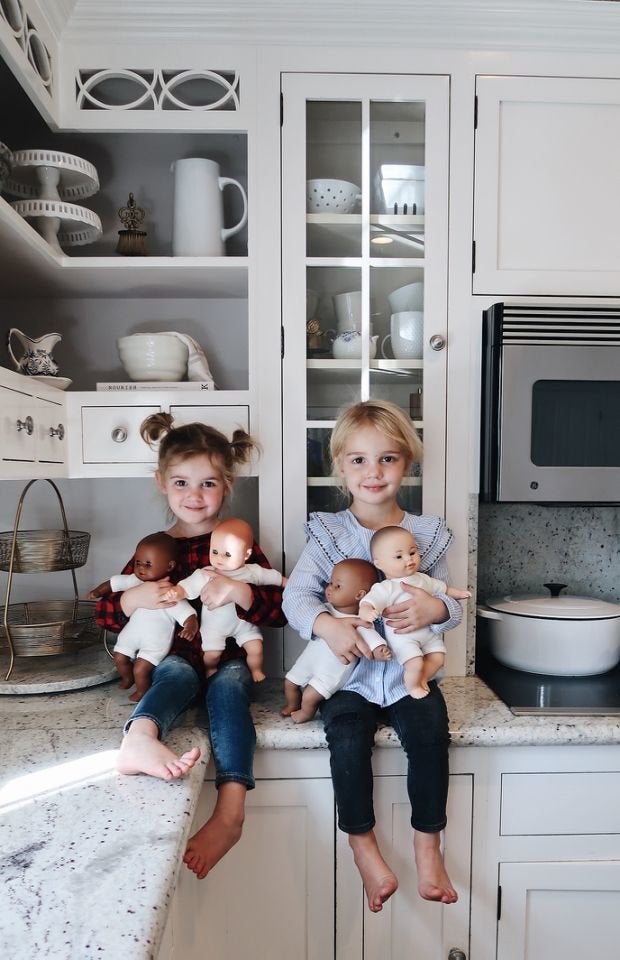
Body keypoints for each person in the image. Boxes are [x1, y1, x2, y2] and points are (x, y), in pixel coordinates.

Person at [282, 399, 462, 913]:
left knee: (430, 737)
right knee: (345, 739)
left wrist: (437, 608)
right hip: (351, 678)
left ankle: (428, 847)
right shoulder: (328, 534)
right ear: (340, 466)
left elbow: (450, 600)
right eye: (358, 459)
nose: (373, 471)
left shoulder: (426, 534)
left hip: (412, 673)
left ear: (407, 462)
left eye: (387, 458)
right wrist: (326, 625)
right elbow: (297, 597)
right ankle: (363, 847)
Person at [95, 413, 286, 881]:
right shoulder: (156, 548)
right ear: (162, 482)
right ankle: (138, 739)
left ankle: (230, 811)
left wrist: (241, 592)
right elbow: (107, 615)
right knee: (174, 674)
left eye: (207, 484)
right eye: (181, 482)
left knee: (230, 693)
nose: (194, 496)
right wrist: (133, 598)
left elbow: (278, 612)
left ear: (227, 484)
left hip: (231, 660)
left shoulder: (238, 545)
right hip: (176, 657)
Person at [163, 516, 285, 682]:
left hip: (243, 626)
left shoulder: (251, 571)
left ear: (246, 554)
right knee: (212, 654)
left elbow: (273, 578)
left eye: (227, 554)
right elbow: (189, 586)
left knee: (256, 648)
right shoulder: (207, 572)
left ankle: (256, 670)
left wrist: (287, 582)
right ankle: (210, 669)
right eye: (214, 552)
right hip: (214, 627)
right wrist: (178, 591)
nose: (219, 558)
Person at [359, 526, 470, 699]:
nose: (408, 559)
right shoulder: (386, 587)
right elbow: (368, 601)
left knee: (439, 659)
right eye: (398, 556)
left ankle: (422, 679)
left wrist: (460, 594)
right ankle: (411, 686)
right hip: (403, 637)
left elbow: (444, 589)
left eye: (412, 552)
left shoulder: (423, 579)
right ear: (379, 563)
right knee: (415, 663)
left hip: (428, 634)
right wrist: (366, 611)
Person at [88, 531, 199, 701]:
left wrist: (190, 626)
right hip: (131, 634)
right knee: (119, 657)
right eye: (138, 563)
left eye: (148, 564)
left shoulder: (170, 592)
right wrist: (97, 591)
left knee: (141, 668)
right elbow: (113, 583)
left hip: (155, 642)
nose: (141, 568)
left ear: (169, 566)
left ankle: (142, 690)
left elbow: (187, 614)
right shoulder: (134, 581)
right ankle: (127, 678)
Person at [281, 557, 391, 723]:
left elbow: (372, 639)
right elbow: (304, 611)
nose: (329, 589)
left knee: (310, 696)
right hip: (309, 661)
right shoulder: (323, 611)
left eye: (337, 586)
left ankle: (306, 712)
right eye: (330, 583)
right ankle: (292, 705)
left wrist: (380, 650)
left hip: (333, 671)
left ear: (359, 595)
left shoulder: (360, 622)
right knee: (290, 683)